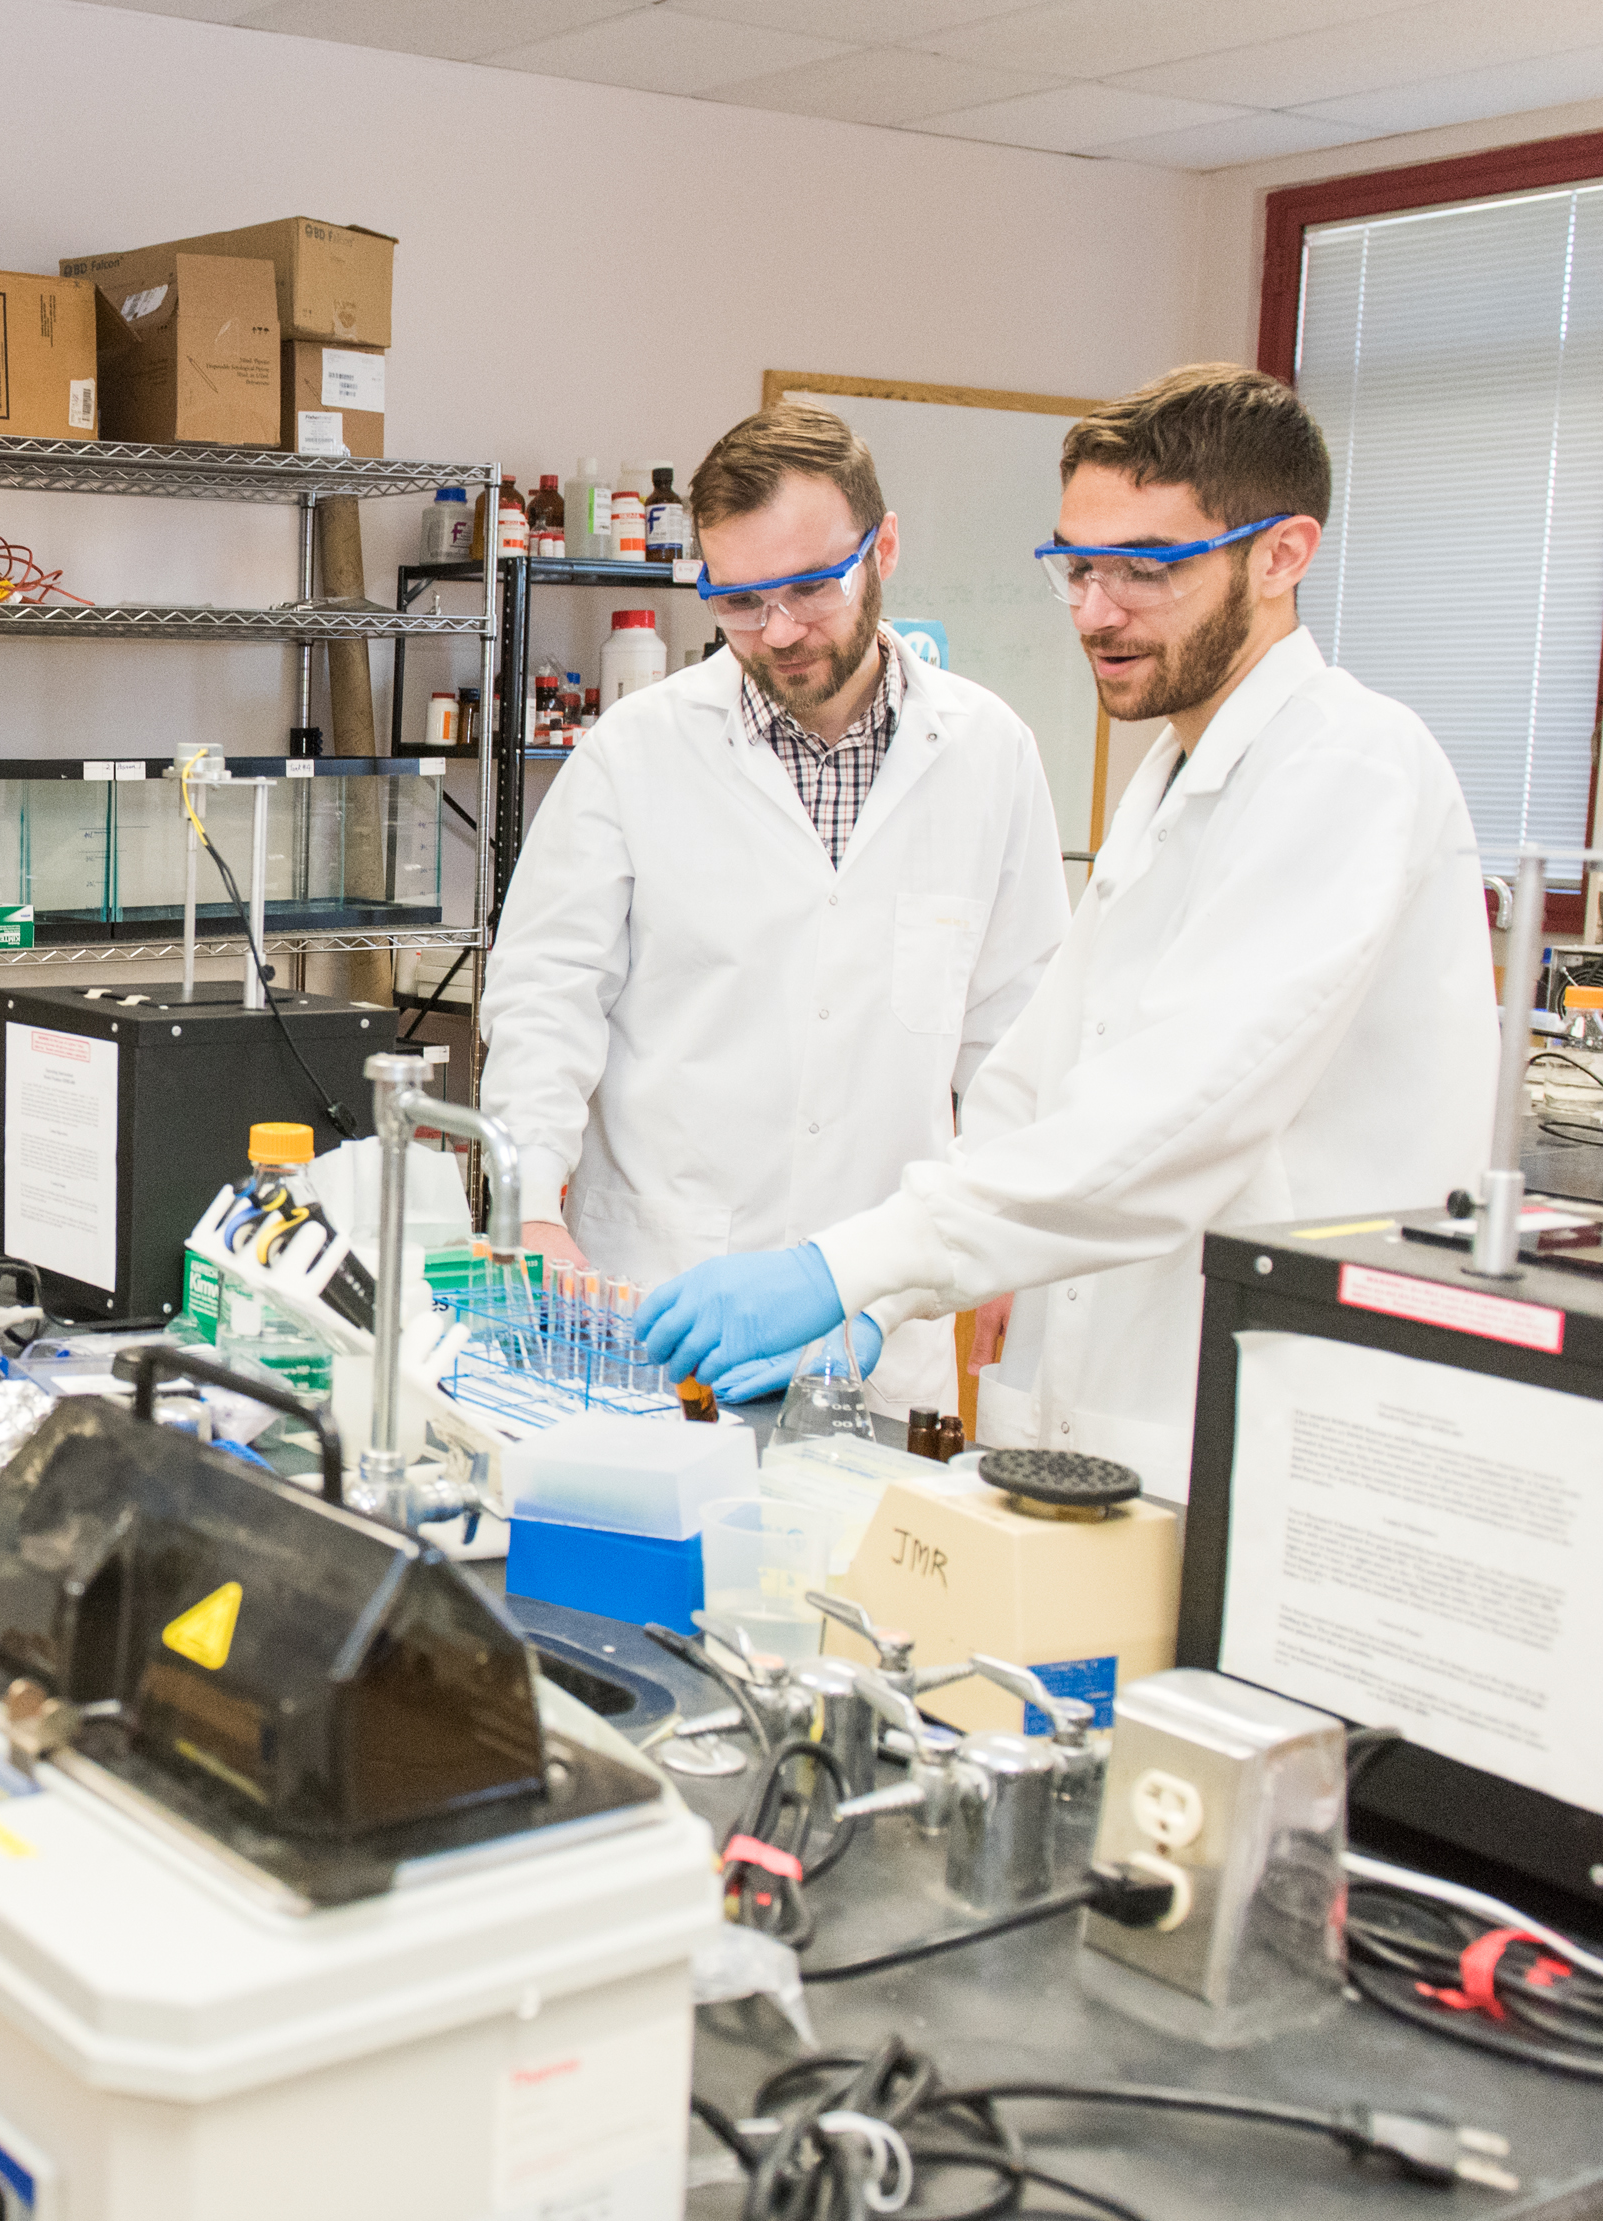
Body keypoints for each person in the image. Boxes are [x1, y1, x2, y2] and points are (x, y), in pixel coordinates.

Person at [636, 363, 1499, 1495]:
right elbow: (1031, 1086)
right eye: (1075, 567)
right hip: (1117, 1419)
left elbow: (1172, 1122)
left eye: (1144, 568)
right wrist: (880, 1297)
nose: (1094, 610)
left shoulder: (1348, 768)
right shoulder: (1177, 780)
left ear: (1281, 554)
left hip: (1276, 1429)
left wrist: (841, 1264)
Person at [478, 401, 1070, 1415]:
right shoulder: (634, 752)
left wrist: (1003, 1240)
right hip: (661, 1302)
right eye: (738, 601)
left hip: (881, 1322)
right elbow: (544, 1001)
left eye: (807, 587)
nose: (779, 632)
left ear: (882, 549)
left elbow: (1014, 1033)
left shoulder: (987, 751)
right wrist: (531, 1209)